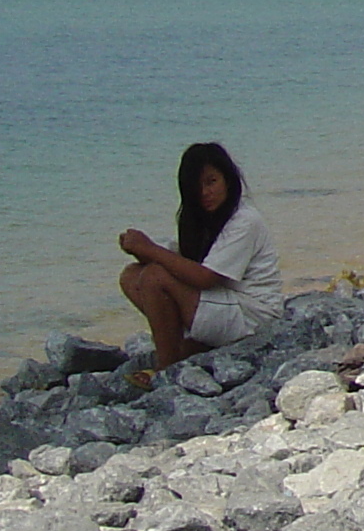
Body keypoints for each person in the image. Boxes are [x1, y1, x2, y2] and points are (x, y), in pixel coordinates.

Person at [118, 142, 282, 377]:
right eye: (197, 186)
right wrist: (141, 252)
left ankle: (166, 368)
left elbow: (205, 277)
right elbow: (182, 261)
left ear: (227, 179)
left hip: (252, 313)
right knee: (132, 275)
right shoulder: (202, 219)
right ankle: (185, 346)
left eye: (212, 182)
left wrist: (150, 249)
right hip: (223, 303)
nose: (205, 192)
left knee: (154, 276)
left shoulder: (245, 220)